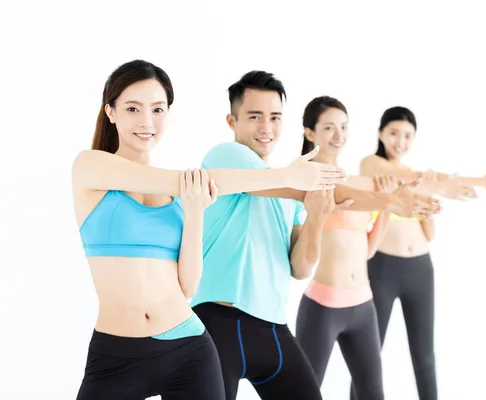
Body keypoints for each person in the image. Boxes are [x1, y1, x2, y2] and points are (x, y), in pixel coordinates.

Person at [71, 59, 349, 400]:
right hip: (116, 355)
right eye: (133, 108)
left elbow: (188, 285)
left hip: (187, 348)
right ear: (111, 112)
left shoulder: (181, 197)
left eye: (158, 109)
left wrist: (194, 211)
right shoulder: (90, 167)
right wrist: (282, 176)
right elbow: (189, 180)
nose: (147, 121)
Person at [189, 71, 443, 400]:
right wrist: (389, 201)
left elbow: (300, 266)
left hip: (272, 326)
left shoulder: (290, 189)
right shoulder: (226, 157)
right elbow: (307, 186)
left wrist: (317, 217)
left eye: (275, 117)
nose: (266, 127)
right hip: (220, 321)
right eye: (255, 117)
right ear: (232, 120)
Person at [293, 97, 476, 400]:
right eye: (329, 127)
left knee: (373, 394)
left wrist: (389, 204)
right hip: (325, 306)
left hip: (362, 305)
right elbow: (333, 200)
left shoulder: (357, 181)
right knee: (306, 392)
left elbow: (366, 249)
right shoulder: (307, 179)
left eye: (344, 127)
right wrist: (398, 196)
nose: (339, 135)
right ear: (310, 133)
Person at [353, 106, 486, 400]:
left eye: (407, 136)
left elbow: (429, 234)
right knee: (369, 355)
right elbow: (407, 178)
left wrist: (441, 190)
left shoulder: (418, 180)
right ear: (380, 133)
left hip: (420, 270)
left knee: (425, 358)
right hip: (383, 270)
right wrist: (465, 182)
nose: (400, 141)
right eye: (393, 133)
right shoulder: (372, 165)